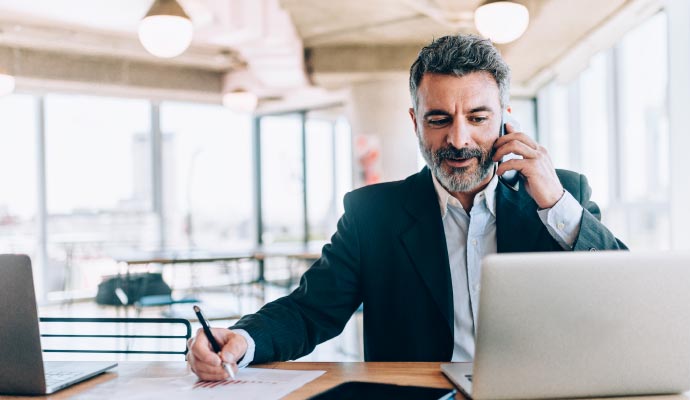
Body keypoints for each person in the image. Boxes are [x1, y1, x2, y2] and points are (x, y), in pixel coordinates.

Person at [187, 34, 627, 380]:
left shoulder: (561, 194)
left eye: (477, 117)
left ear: (505, 117)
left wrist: (556, 206)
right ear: (416, 122)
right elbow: (309, 310)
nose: (458, 140)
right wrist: (243, 339)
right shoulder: (373, 214)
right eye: (439, 119)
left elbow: (621, 297)